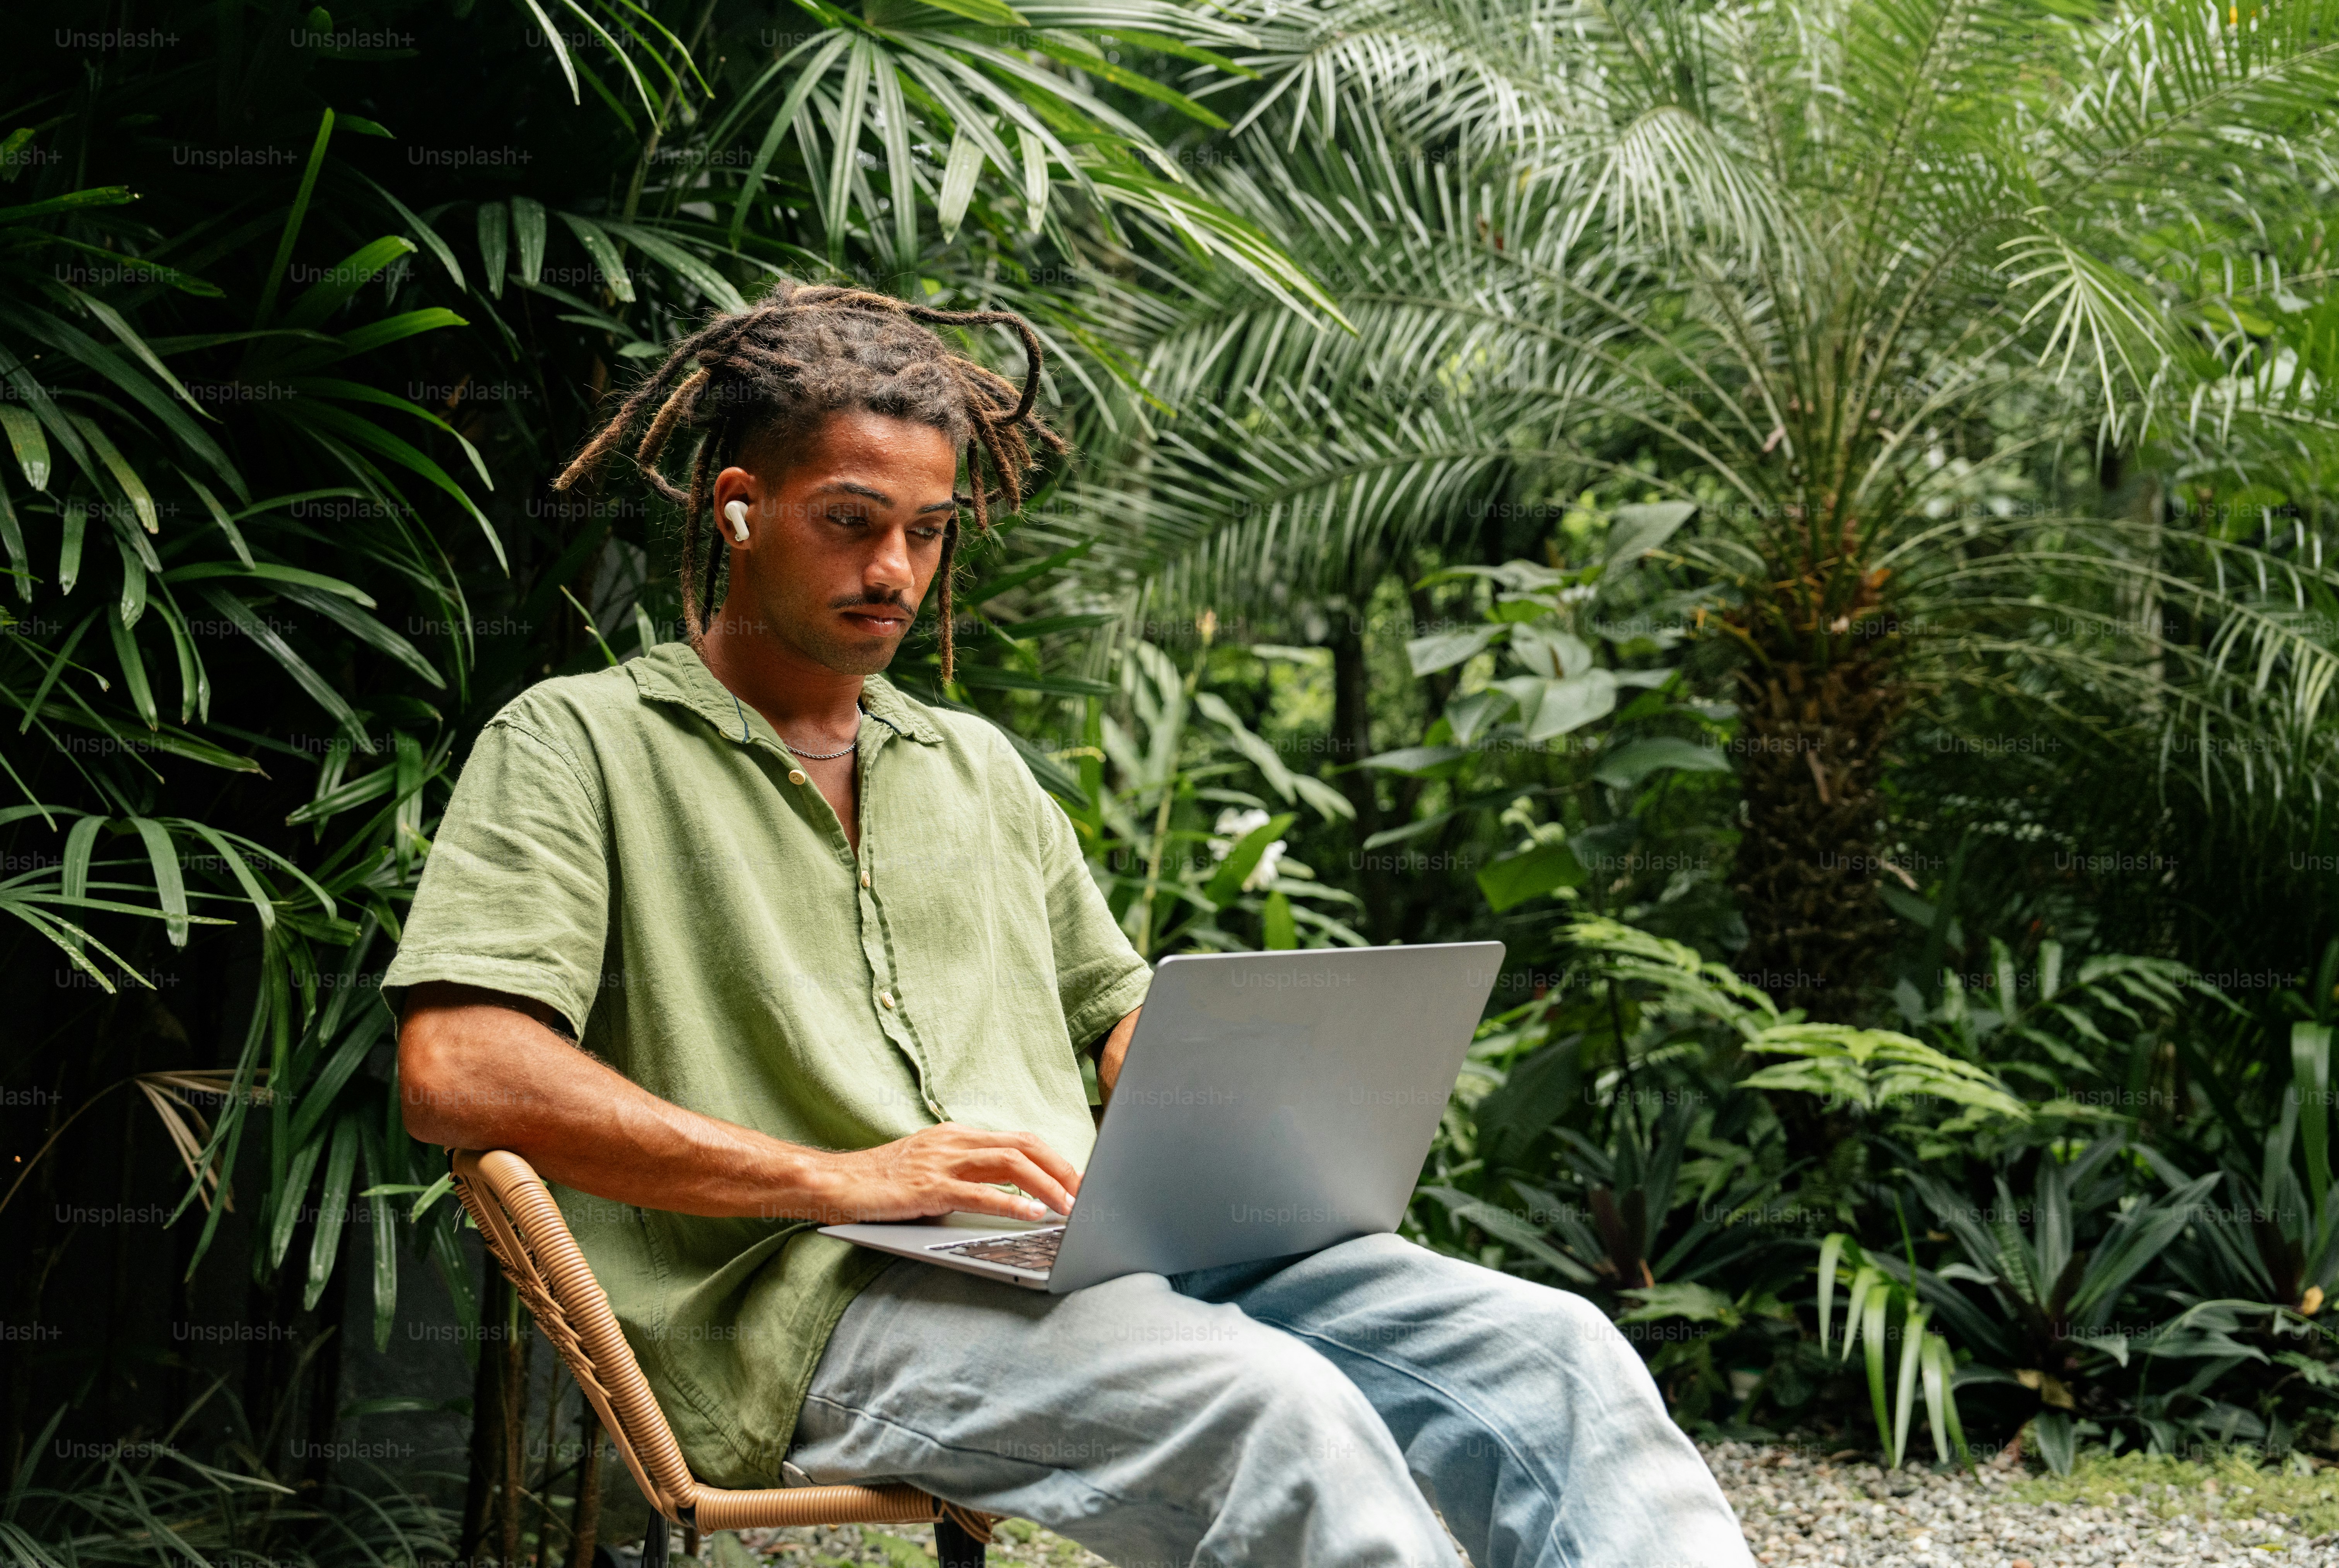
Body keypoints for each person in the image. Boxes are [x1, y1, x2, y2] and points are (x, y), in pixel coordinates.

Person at [387, 282, 1753, 1568]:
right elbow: (457, 1070)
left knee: (1551, 1352)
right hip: (823, 1304)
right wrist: (844, 1178)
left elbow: (1115, 1017)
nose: (897, 570)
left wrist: (1244, 1136)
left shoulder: (974, 766)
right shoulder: (579, 743)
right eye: (852, 522)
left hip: (1090, 1247)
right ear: (738, 509)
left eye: (928, 531)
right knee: (1272, 1409)